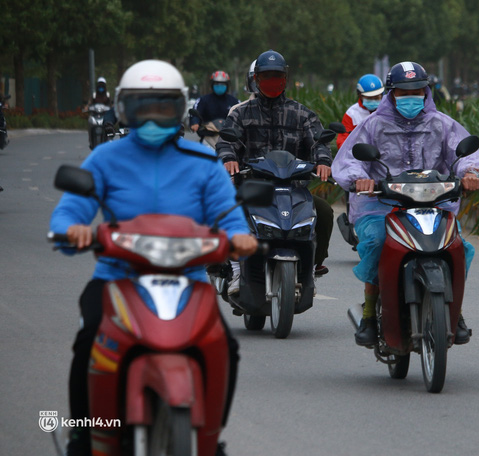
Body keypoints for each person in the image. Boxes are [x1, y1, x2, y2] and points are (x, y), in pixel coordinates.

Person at [50, 59, 257, 456]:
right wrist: (71, 229)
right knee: (89, 337)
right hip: (117, 276)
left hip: (189, 279)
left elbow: (228, 215)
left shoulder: (203, 162)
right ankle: (83, 436)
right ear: (125, 109)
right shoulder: (105, 159)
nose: (152, 115)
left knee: (225, 348)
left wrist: (240, 237)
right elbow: (70, 210)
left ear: (179, 108)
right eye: (142, 105)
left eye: (162, 106)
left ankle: (211, 440)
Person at [332, 61, 479, 347]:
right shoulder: (372, 125)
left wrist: (471, 172)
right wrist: (359, 179)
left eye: (416, 90)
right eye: (403, 91)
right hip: (382, 206)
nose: (410, 96)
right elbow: (349, 159)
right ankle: (369, 315)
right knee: (378, 242)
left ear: (426, 91)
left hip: (434, 206)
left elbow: (465, 153)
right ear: (391, 94)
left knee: (459, 248)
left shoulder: (442, 123)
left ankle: (456, 313)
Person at [216, 49, 334, 286]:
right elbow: (226, 142)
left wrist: (322, 161)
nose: (272, 80)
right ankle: (236, 268)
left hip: (293, 189)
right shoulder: (240, 113)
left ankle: (311, 265)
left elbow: (319, 142)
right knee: (226, 211)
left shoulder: (302, 114)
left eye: (277, 75)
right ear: (256, 79)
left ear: (285, 78)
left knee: (323, 212)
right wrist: (229, 158)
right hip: (251, 187)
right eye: (267, 75)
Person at [336, 74, 384, 149]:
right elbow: (343, 140)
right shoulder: (351, 113)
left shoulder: (388, 110)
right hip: (359, 156)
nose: (373, 100)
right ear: (360, 96)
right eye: (369, 98)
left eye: (377, 97)